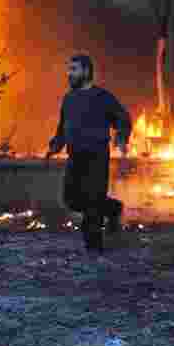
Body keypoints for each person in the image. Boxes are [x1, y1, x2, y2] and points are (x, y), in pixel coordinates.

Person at [48, 53, 132, 253]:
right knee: (71, 199)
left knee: (93, 204)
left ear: (86, 71)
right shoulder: (68, 99)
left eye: (73, 69)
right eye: (69, 69)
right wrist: (56, 144)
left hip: (96, 158)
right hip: (75, 157)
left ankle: (94, 251)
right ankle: (112, 209)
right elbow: (62, 127)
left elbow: (122, 119)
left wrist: (121, 137)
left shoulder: (102, 97)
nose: (69, 74)